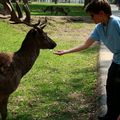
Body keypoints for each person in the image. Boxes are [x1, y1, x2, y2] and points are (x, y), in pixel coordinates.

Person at [54, 0, 120, 120]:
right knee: (110, 88)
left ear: (101, 13)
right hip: (116, 60)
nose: (91, 18)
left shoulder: (116, 22)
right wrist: (66, 51)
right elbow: (85, 45)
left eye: (92, 15)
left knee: (118, 91)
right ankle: (111, 115)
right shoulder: (99, 28)